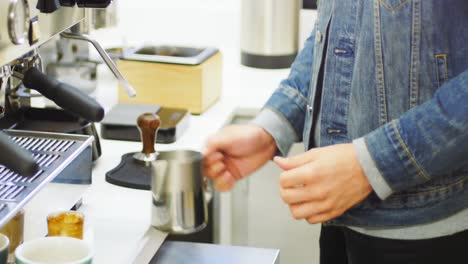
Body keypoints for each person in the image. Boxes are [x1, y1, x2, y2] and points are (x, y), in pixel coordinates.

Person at [204, 1, 468, 263]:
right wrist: (275, 123)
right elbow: (341, 25)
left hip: (428, 234)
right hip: (341, 222)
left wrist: (372, 163)